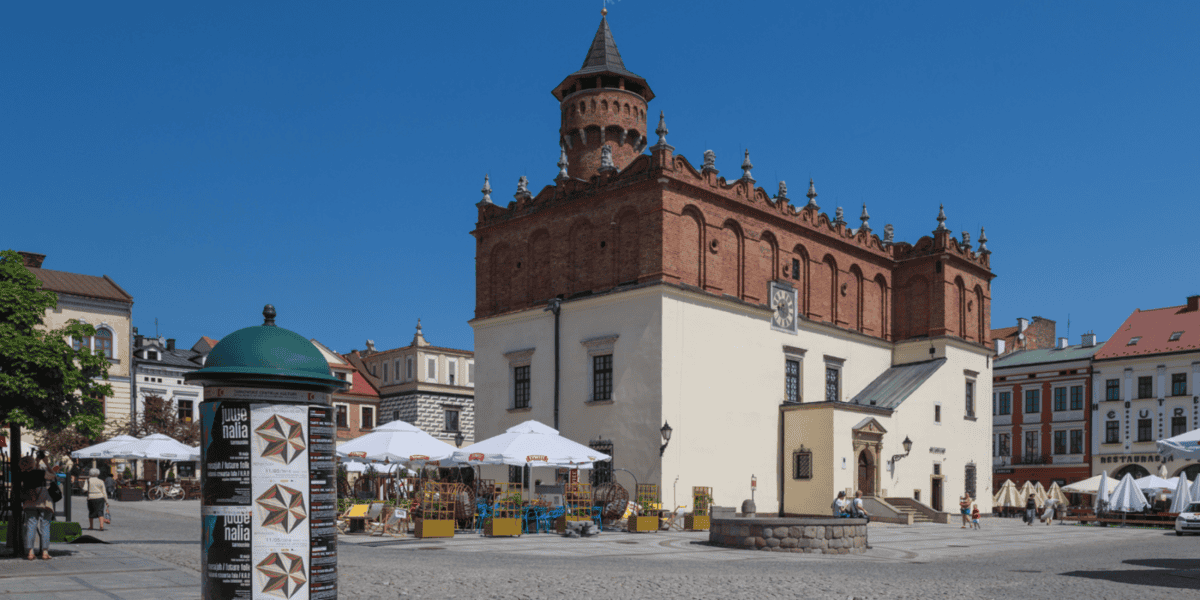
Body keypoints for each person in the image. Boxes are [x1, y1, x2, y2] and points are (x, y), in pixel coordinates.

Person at [18, 455, 57, 560]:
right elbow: (53, 476)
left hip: (29, 502)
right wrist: (47, 463)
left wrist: (37, 463)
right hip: (43, 501)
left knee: (31, 526)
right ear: (31, 463)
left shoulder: (22, 474)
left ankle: (30, 552)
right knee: (45, 526)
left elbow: (31, 474)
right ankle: (45, 552)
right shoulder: (40, 473)